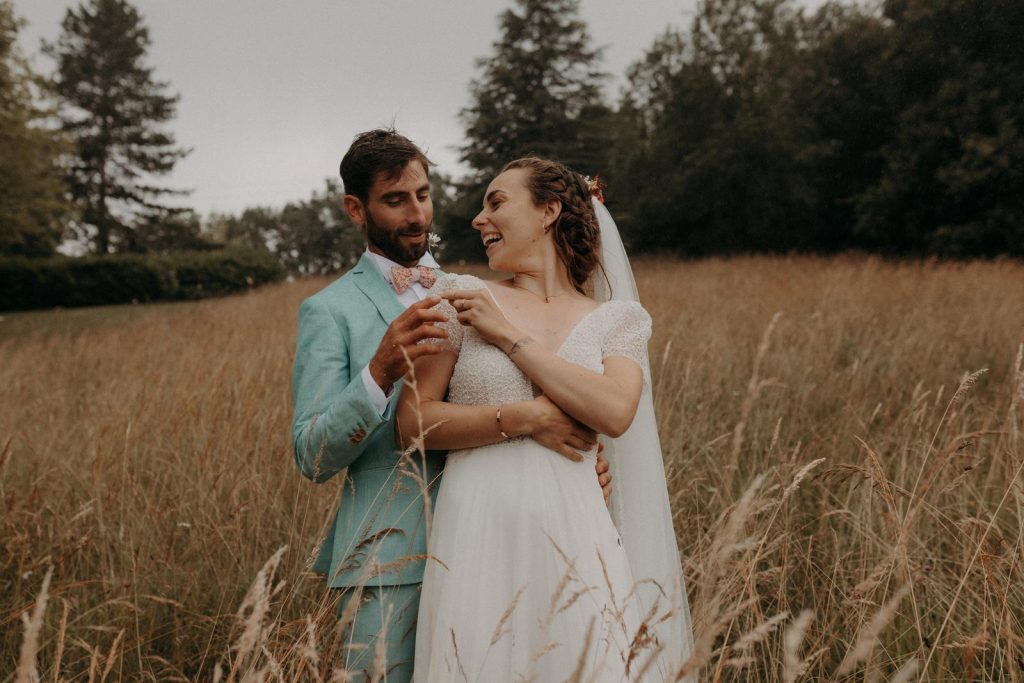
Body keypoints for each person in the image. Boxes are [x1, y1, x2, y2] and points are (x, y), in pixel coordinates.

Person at [290, 130, 613, 682]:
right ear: (355, 209)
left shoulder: (488, 291)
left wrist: (576, 465)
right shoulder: (329, 311)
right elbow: (312, 456)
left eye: (423, 194)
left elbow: (541, 386)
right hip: (388, 565)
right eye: (395, 200)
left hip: (500, 548)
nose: (417, 213)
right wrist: (378, 372)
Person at [398, 158, 695, 681]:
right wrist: (527, 417)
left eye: (496, 202)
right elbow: (413, 423)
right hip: (478, 531)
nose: (477, 219)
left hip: (578, 535)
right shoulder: (460, 297)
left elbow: (614, 411)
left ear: (548, 211)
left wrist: (510, 337)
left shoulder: (614, 320)